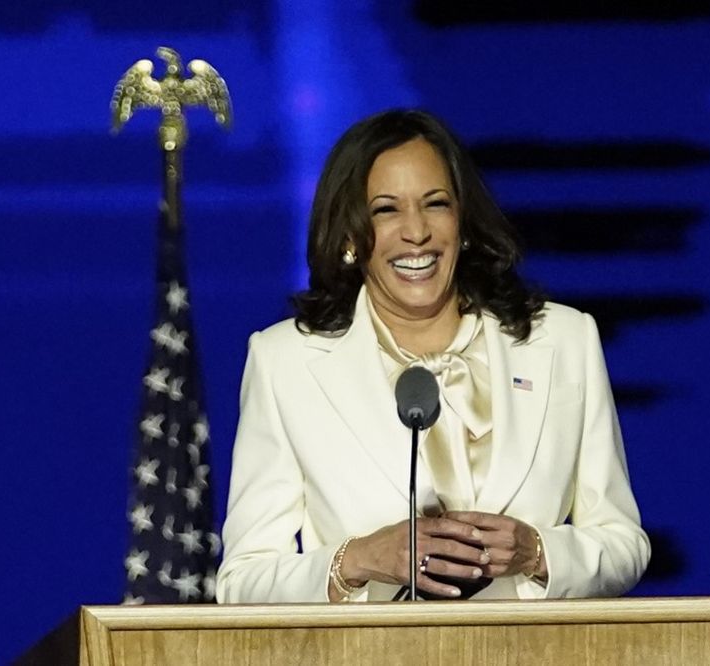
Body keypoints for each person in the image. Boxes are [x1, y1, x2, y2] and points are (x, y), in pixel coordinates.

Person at [216, 109, 650, 603]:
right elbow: (242, 583)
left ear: (463, 223)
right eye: (386, 210)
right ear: (350, 238)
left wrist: (537, 552)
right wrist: (358, 560)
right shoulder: (284, 362)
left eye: (435, 204)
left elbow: (623, 545)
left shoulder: (565, 340)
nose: (416, 231)